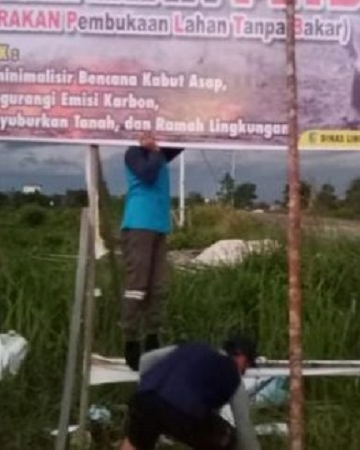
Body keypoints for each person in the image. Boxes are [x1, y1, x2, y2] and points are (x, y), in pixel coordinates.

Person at [120, 337, 261, 450]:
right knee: (228, 440)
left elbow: (146, 359)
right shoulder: (233, 374)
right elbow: (244, 427)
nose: (245, 371)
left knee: (136, 442)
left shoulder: (191, 347)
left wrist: (147, 385)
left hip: (145, 399)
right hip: (183, 413)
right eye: (247, 365)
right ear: (242, 356)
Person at [120, 133, 184, 370]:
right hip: (139, 224)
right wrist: (153, 149)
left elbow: (181, 142)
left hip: (158, 226)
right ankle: (131, 340)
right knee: (137, 287)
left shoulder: (159, 156)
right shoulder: (134, 153)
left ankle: (152, 337)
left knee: (157, 287)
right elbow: (146, 175)